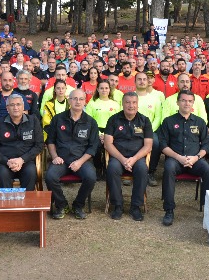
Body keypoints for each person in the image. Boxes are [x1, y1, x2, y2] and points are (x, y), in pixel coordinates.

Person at [158, 90, 209, 226]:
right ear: (177, 102)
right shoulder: (168, 121)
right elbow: (162, 145)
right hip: (175, 159)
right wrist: (179, 157)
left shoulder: (200, 122)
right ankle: (169, 210)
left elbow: (207, 144)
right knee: (169, 168)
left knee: (208, 170)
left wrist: (196, 157)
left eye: (189, 101)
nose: (186, 103)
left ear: (193, 103)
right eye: (183, 100)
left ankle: (207, 209)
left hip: (195, 160)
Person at [45, 89, 99, 220]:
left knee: (91, 177)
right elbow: (50, 141)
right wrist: (54, 157)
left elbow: (93, 147)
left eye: (81, 99)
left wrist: (80, 162)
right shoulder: (58, 119)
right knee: (50, 176)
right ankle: (61, 205)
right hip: (61, 160)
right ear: (69, 101)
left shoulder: (91, 122)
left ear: (85, 101)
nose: (78, 101)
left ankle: (78, 205)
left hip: (82, 160)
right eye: (74, 98)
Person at [104, 92, 153, 221]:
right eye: (128, 102)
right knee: (112, 169)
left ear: (137, 104)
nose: (131, 105)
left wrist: (134, 159)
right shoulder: (113, 119)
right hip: (118, 157)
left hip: (137, 157)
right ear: (122, 103)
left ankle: (135, 207)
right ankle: (118, 205)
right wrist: (123, 159)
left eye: (134, 102)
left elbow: (148, 145)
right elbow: (108, 144)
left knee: (142, 169)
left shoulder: (145, 120)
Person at [0, 94, 43, 190]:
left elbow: (39, 145)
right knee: (2, 173)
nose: (15, 107)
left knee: (31, 172)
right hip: (6, 162)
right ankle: (8, 203)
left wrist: (22, 159)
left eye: (18, 104)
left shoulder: (33, 120)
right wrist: (7, 161)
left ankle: (26, 202)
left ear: (23, 107)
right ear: (7, 108)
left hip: (26, 161)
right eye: (12, 105)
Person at [134, 72, 162, 187]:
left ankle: (150, 172)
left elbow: (158, 117)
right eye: (139, 79)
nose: (142, 81)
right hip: (131, 129)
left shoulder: (155, 99)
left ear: (148, 81)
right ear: (135, 81)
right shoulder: (129, 97)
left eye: (144, 79)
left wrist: (149, 131)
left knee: (156, 143)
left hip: (150, 130)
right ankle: (130, 169)